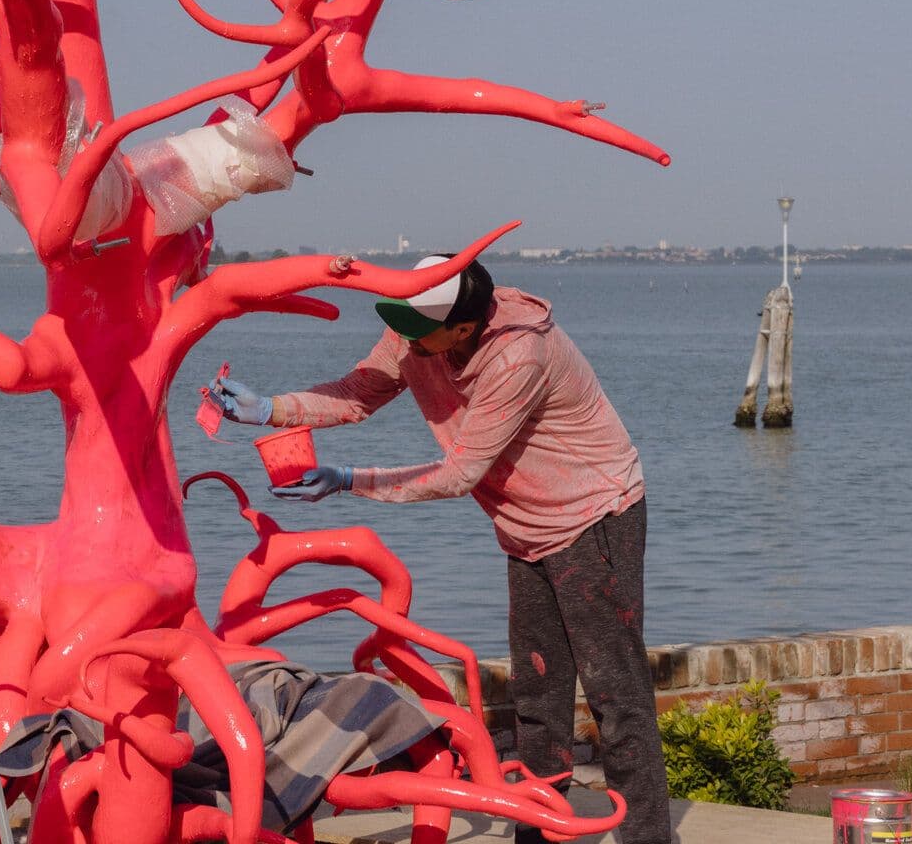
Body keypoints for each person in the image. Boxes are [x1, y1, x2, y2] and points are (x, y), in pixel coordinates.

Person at [212, 255, 672, 844]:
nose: (401, 336)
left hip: (594, 516)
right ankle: (539, 834)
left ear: (462, 328)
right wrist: (270, 409)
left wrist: (350, 479)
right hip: (525, 527)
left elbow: (459, 474)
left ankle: (651, 838)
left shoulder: (518, 356)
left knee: (616, 695)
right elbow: (360, 392)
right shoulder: (418, 319)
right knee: (536, 694)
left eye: (414, 328)